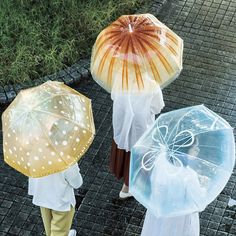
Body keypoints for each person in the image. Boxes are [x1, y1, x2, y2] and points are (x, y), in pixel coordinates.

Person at [110, 81, 165, 199]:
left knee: (125, 154)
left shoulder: (121, 78)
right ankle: (129, 186)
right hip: (141, 130)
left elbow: (113, 96)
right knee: (138, 158)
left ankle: (127, 185)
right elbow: (157, 108)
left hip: (122, 127)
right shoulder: (152, 85)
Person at [28, 163, 83, 236]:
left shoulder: (35, 154)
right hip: (61, 203)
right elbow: (77, 183)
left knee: (49, 226)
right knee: (59, 231)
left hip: (43, 198)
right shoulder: (66, 159)